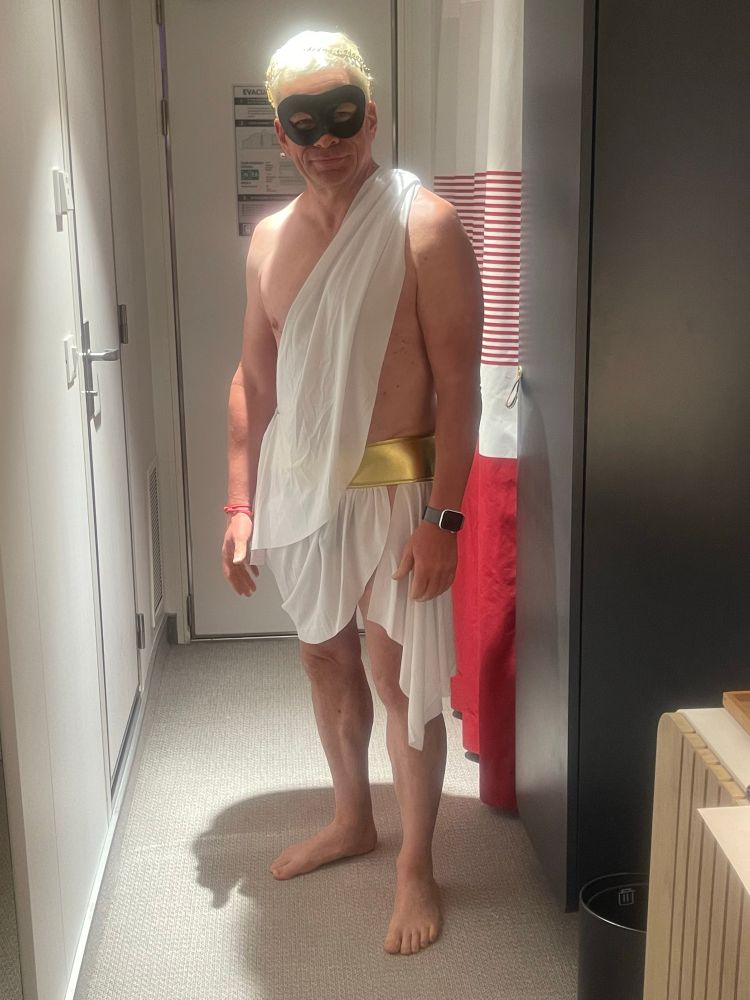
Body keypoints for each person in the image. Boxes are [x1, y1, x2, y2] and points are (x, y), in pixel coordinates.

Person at [221, 29, 482, 956]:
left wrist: (444, 519)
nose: (325, 137)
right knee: (324, 661)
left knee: (399, 677)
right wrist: (240, 502)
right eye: (305, 121)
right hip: (300, 491)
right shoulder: (268, 241)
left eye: (342, 115)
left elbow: (460, 388)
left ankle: (416, 862)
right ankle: (351, 818)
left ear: (371, 118)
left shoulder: (424, 226)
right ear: (282, 134)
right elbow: (254, 381)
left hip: (397, 490)